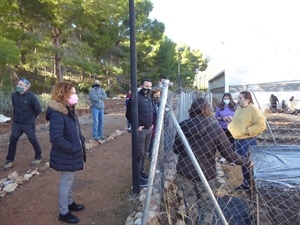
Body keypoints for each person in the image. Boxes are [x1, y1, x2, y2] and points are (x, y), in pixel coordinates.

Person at [173, 98, 252, 225]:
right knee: (207, 203)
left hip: (185, 170)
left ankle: (191, 222)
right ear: (208, 111)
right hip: (206, 172)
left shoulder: (183, 125)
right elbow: (229, 154)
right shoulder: (215, 128)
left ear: (191, 110)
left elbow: (176, 150)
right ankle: (206, 222)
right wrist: (246, 162)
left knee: (190, 202)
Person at [46, 82, 86, 224]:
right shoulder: (57, 113)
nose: (76, 96)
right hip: (67, 154)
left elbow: (73, 130)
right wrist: (73, 148)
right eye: (73, 93)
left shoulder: (69, 109)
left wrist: (80, 141)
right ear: (63, 94)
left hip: (73, 153)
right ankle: (64, 212)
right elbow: (56, 138)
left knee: (71, 179)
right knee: (66, 181)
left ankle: (69, 203)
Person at [228, 91, 266, 191]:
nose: (238, 99)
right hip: (238, 139)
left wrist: (247, 131)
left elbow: (261, 125)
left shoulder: (254, 110)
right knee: (242, 162)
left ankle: (252, 185)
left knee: (248, 163)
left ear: (247, 100)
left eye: (240, 98)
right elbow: (239, 121)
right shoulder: (239, 109)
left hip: (247, 140)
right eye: (238, 97)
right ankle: (246, 183)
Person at [3, 78, 43, 170]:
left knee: (33, 139)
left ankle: (38, 157)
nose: (18, 86)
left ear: (26, 87)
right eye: (18, 84)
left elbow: (38, 109)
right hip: (17, 123)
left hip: (28, 123)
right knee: (13, 139)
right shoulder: (14, 95)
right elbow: (15, 107)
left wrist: (31, 118)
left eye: (21, 85)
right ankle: (9, 161)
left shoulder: (31, 97)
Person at [126, 79, 153, 187]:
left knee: (145, 152)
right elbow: (128, 114)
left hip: (148, 129)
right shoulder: (135, 98)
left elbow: (150, 112)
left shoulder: (149, 98)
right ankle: (137, 176)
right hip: (140, 131)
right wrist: (136, 126)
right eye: (146, 86)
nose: (148, 88)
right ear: (141, 86)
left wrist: (151, 124)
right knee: (140, 152)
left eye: (150, 86)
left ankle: (141, 172)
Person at [148, 87, 162, 158]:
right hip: (152, 123)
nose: (157, 96)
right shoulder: (150, 102)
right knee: (152, 138)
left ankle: (155, 154)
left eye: (159, 94)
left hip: (158, 123)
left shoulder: (160, 103)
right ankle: (150, 154)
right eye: (155, 94)